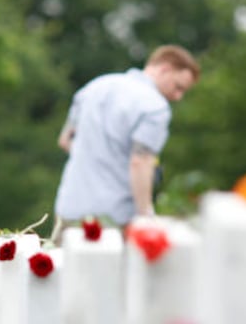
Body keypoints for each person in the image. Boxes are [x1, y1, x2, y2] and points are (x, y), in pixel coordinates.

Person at [54, 44, 200, 227]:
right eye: (178, 87)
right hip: (111, 219)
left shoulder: (95, 86)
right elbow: (140, 161)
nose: (178, 96)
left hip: (69, 209)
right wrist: (146, 217)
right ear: (165, 69)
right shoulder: (155, 107)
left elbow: (66, 140)